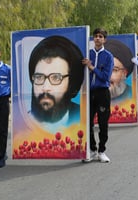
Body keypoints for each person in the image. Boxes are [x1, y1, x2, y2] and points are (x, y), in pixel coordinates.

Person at [28, 35, 84, 127]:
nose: (45, 88)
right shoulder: (23, 122)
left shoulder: (81, 116)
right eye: (39, 77)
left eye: (56, 78)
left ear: (71, 83)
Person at [82, 28, 114, 163]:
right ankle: (92, 149)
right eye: (95, 36)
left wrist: (92, 68)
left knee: (103, 123)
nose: (98, 38)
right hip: (88, 93)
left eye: (101, 36)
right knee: (88, 123)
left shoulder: (108, 56)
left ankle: (102, 151)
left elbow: (106, 77)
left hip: (102, 92)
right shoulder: (87, 54)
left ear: (104, 40)